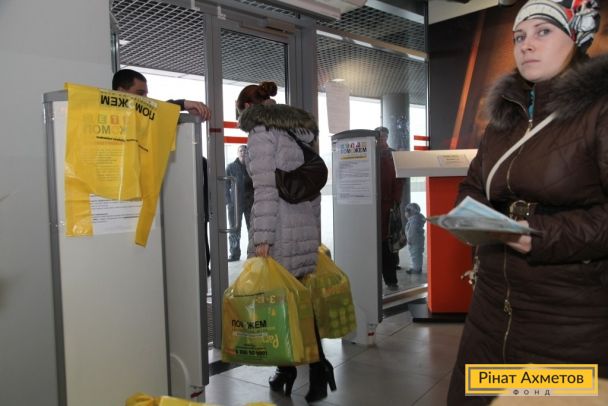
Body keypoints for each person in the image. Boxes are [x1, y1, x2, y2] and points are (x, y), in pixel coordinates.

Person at [447, 1, 607, 404]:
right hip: (490, 309)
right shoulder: (506, 118)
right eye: (519, 36)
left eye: (543, 32)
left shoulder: (600, 111)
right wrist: (471, 216)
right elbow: (473, 184)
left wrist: (537, 235)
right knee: (478, 398)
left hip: (567, 320)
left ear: (576, 38)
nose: (526, 45)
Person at [236, 81, 336, 403]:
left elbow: (265, 190)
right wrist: (314, 236)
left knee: (277, 305)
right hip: (303, 231)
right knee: (300, 306)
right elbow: (313, 189)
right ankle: (315, 372)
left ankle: (289, 370)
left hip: (278, 233)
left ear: (247, 108)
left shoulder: (261, 133)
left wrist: (262, 238)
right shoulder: (299, 133)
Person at [112, 69, 212, 120]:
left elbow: (159, 109)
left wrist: (185, 106)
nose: (146, 99)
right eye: (140, 93)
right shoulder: (107, 116)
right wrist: (184, 104)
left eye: (146, 94)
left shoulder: (142, 117)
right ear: (121, 92)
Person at [375, 126, 403, 291]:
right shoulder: (371, 153)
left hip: (387, 207)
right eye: (379, 136)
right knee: (382, 243)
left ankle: (390, 279)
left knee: (388, 243)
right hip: (374, 207)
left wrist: (395, 202)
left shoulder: (392, 155)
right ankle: (382, 279)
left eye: (384, 136)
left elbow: (400, 180)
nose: (382, 139)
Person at [225, 144, 253, 262]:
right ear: (238, 153)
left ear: (248, 153)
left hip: (250, 203)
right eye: (241, 151)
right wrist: (228, 202)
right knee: (234, 229)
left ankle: (252, 253)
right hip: (235, 204)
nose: (243, 152)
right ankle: (234, 254)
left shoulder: (252, 167)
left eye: (245, 151)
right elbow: (225, 185)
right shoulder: (231, 167)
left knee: (252, 228)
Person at [404, 202, 425, 274]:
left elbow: (412, 232)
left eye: (406, 211)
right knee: (416, 254)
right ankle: (416, 267)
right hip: (417, 240)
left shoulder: (414, 221)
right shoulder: (415, 219)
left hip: (414, 241)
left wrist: (409, 239)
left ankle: (416, 269)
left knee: (415, 255)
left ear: (411, 212)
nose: (405, 214)